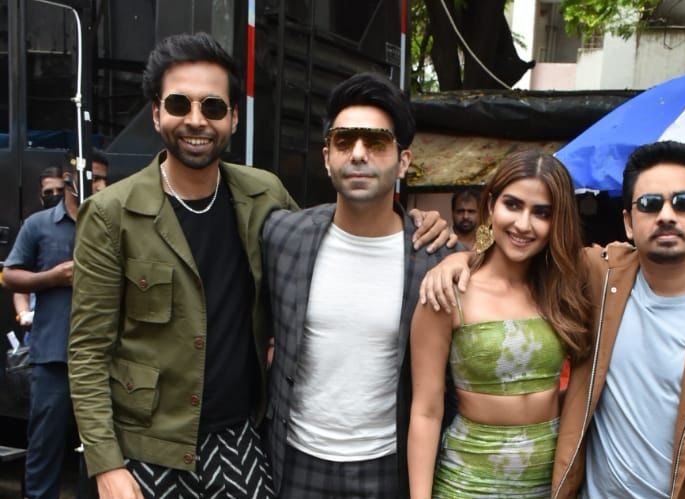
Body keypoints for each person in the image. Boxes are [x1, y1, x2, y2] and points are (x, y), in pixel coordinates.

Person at [68, 33, 450, 499]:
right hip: (146, 449)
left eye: (212, 107)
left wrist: (439, 235)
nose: (195, 120)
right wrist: (106, 463)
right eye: (178, 104)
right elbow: (87, 351)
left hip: (241, 441)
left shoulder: (263, 197)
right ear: (155, 112)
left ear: (232, 117)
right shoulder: (112, 213)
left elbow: (343, 225)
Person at [422, 141, 685, 498]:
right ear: (628, 221)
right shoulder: (600, 277)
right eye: (649, 204)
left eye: (684, 203)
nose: (666, 215)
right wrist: (459, 258)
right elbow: (518, 253)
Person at [262, 72, 457, 499]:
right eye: (345, 141)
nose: (359, 154)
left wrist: (462, 251)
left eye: (377, 143)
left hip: (385, 467)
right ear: (326, 155)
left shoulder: (434, 259)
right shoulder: (282, 237)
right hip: (294, 461)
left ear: (403, 161)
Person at [408, 151, 591, 498]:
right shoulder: (449, 290)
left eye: (541, 213)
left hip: (549, 482)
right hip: (468, 481)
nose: (523, 224)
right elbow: (426, 411)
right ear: (490, 204)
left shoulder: (564, 288)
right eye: (513, 204)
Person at [2, 159, 81, 499]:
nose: (97, 185)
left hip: (106, 355)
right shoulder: (38, 225)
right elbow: (11, 276)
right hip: (52, 353)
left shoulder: (114, 224)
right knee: (45, 447)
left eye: (103, 179)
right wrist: (53, 278)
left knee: (103, 451)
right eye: (90, 177)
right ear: (70, 180)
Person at [12, 166, 67, 332]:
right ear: (41, 197)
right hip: (41, 322)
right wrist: (24, 314)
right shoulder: (34, 227)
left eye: (60, 190)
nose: (55, 196)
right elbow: (18, 282)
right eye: (48, 192)